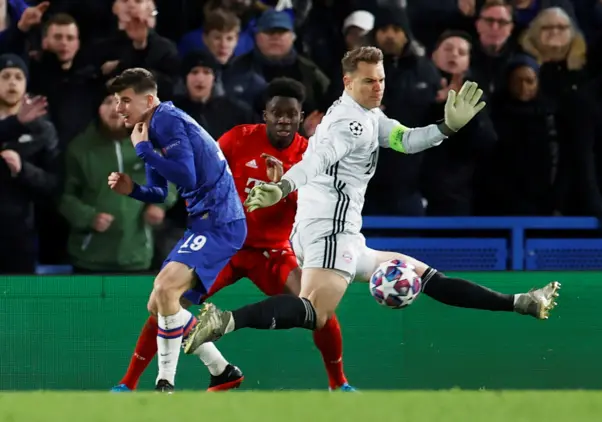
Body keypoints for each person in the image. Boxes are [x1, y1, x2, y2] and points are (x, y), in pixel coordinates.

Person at [183, 46, 560, 358]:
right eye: (369, 81)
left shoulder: (367, 115)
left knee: (426, 276)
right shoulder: (351, 125)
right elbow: (316, 160)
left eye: (381, 79)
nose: (378, 86)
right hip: (331, 233)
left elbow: (406, 140)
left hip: (342, 233)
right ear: (348, 82)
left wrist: (446, 128)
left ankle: (520, 302)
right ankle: (225, 321)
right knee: (315, 312)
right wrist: (281, 188)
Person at [112, 77, 355, 392]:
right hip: (227, 244)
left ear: (300, 116)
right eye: (276, 112)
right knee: (167, 300)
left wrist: (284, 189)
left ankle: (339, 384)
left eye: (291, 114)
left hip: (271, 251)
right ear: (263, 115)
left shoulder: (310, 158)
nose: (283, 119)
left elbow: (319, 208)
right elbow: (204, 171)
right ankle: (128, 383)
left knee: (318, 308)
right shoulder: (238, 139)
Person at [107, 68, 246, 393]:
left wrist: (143, 151)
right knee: (159, 303)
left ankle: (164, 382)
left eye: (125, 100)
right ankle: (222, 370)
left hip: (220, 221)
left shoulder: (166, 121)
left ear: (149, 99)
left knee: (165, 290)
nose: (119, 109)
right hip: (205, 222)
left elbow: (185, 176)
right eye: (117, 101)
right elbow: (160, 191)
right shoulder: (152, 127)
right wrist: (133, 190)